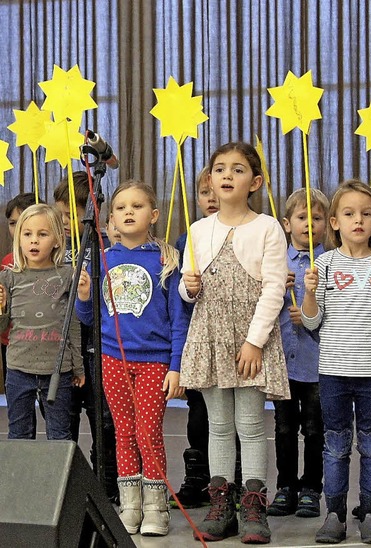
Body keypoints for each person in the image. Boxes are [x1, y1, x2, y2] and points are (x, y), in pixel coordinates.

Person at [180, 142, 290, 544]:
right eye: (220, 169)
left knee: (249, 425)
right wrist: (187, 288)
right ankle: (220, 503)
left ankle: (253, 505)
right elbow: (188, 290)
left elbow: (274, 288)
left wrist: (254, 342)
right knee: (219, 426)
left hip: (248, 340)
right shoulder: (198, 229)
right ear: (209, 179)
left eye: (238, 169)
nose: (227, 175)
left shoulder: (267, 228)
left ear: (255, 182)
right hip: (210, 334)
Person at [76, 180, 190, 537]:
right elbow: (90, 319)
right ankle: (131, 506)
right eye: (121, 207)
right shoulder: (104, 260)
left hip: (154, 361)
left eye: (136, 206)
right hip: (113, 359)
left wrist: (175, 366)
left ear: (153, 215)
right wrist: (83, 297)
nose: (128, 212)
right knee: (123, 432)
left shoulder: (165, 259)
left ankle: (157, 507)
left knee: (148, 431)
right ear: (110, 218)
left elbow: (177, 319)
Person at [301, 180, 371, 544]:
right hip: (333, 372)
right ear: (334, 222)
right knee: (335, 443)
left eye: (365, 214)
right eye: (349, 214)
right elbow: (313, 323)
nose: (357, 220)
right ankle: (334, 513)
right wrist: (311, 293)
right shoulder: (325, 264)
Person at [54, 171, 119, 503]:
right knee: (63, 426)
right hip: (62, 352)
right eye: (60, 213)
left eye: (71, 215)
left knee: (104, 424)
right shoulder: (53, 248)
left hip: (96, 351)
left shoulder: (107, 248)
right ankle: (67, 493)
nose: (64, 222)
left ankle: (105, 490)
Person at [268, 187, 329, 519]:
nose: (309, 224)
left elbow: (337, 315)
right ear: (287, 223)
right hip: (284, 362)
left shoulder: (330, 263)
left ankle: (310, 489)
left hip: (318, 362)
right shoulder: (277, 262)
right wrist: (279, 290)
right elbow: (260, 305)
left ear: (327, 224)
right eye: (302, 217)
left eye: (316, 218)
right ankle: (285, 487)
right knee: (283, 428)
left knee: (315, 429)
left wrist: (310, 309)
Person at [0, 204, 84, 439]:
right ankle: (20, 477)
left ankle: (59, 477)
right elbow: (2, 328)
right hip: (18, 369)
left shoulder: (68, 276)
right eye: (27, 234)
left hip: (58, 370)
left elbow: (73, 325)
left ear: (57, 239)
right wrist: (2, 308)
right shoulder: (7, 277)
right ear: (19, 239)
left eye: (42, 234)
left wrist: (77, 366)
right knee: (19, 433)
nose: (34, 241)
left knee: (59, 434)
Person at [170, 166, 222, 509]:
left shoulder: (251, 230)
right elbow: (180, 299)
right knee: (199, 413)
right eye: (205, 194)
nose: (212, 199)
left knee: (229, 417)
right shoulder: (187, 239)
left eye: (217, 192)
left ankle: (228, 483)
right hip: (198, 341)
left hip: (233, 339)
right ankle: (197, 479)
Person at [2, 192, 37, 386]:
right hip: (11, 342)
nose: (17, 228)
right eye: (12, 223)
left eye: (23, 221)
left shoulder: (52, 263)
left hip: (42, 342)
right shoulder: (7, 262)